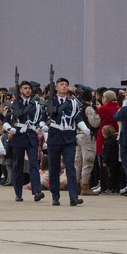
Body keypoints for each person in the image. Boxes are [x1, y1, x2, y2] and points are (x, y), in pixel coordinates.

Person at [45, 78, 86, 206]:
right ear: (56, 88)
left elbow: (77, 117)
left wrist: (84, 128)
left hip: (68, 138)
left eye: (66, 85)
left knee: (70, 167)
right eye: (61, 84)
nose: (64, 86)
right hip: (54, 137)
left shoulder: (73, 103)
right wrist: (43, 125)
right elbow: (43, 117)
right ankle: (55, 196)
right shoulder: (50, 102)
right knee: (54, 167)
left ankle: (73, 196)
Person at [2, 81, 45, 202]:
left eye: (29, 89)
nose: (28, 91)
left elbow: (40, 118)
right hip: (18, 136)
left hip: (31, 136)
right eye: (25, 88)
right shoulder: (14, 104)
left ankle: (37, 191)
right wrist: (9, 129)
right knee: (18, 166)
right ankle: (18, 192)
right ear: (20, 90)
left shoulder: (36, 104)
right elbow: (6, 120)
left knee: (34, 165)